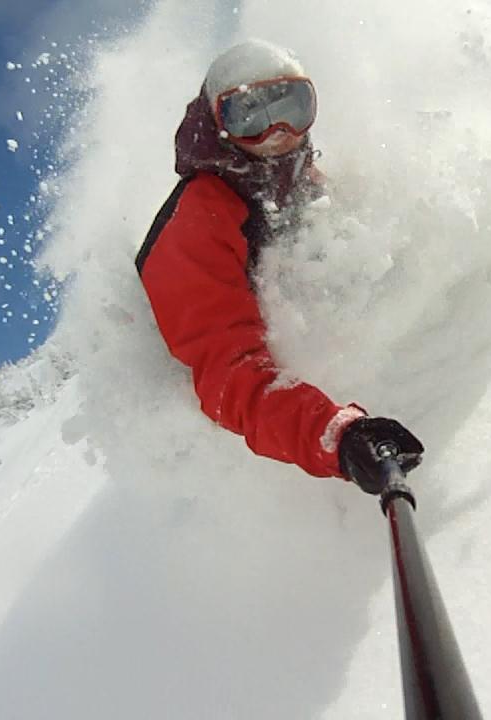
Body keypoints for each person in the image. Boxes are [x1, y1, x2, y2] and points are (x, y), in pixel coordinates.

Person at [134, 39, 423, 495]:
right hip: (224, 402)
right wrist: (337, 436)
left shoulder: (299, 178)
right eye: (249, 116)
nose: (277, 131)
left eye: (292, 105)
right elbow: (230, 375)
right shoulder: (198, 220)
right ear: (217, 125)